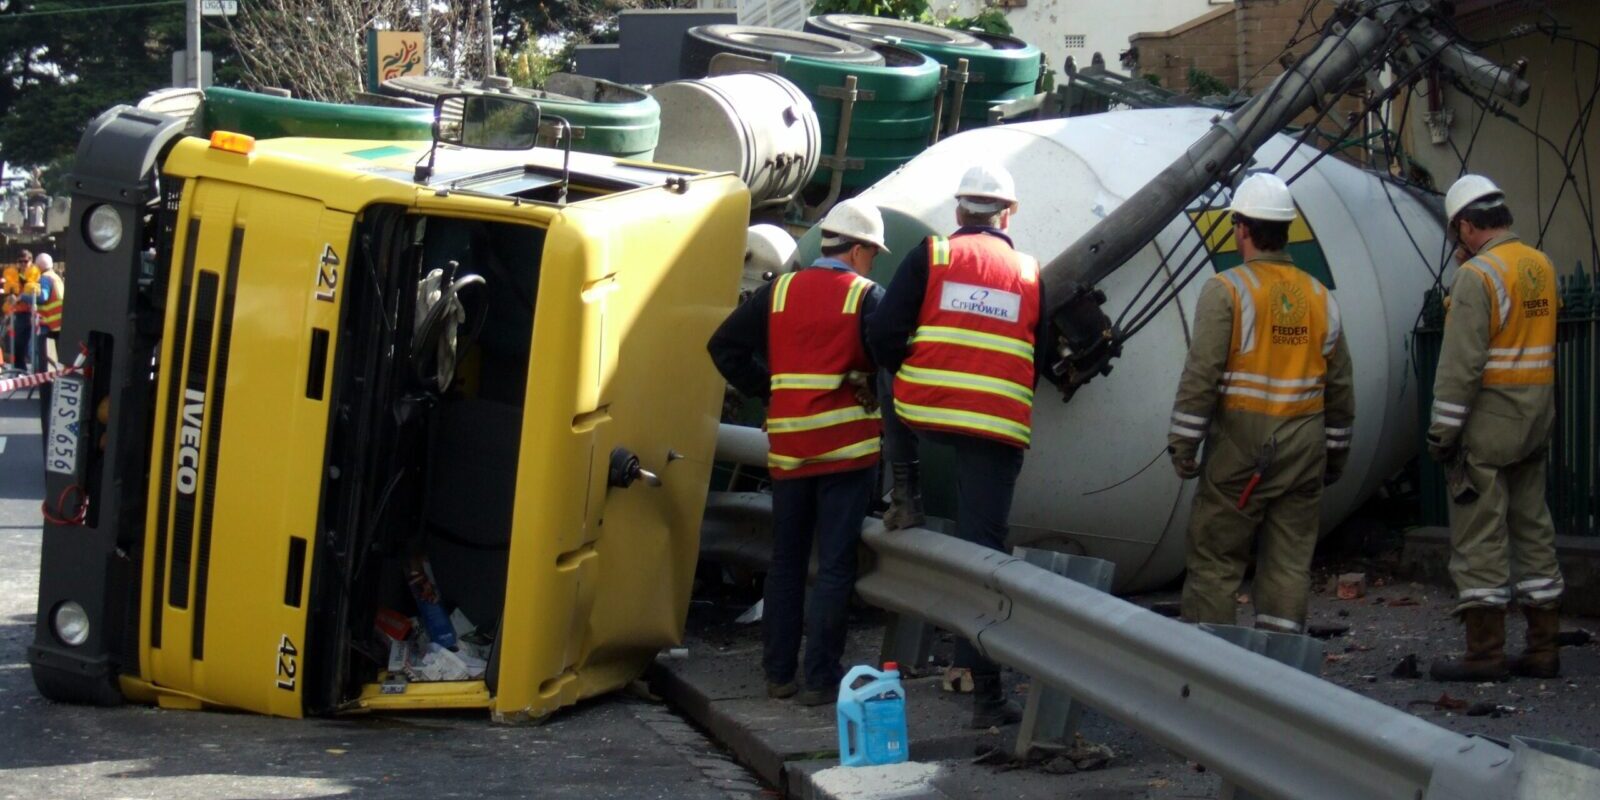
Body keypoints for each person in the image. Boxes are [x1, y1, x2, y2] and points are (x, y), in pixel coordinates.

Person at [867, 164, 1051, 728]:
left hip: (928, 410)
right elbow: (1037, 358)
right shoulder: (1030, 271)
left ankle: (906, 489)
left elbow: (881, 335)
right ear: (1009, 214)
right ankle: (985, 692)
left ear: (959, 212)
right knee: (984, 553)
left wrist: (922, 369)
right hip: (996, 423)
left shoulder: (934, 254)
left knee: (884, 375)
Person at [706, 199, 889, 706]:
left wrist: (769, 390)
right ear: (856, 251)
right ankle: (820, 679)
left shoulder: (778, 291)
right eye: (871, 253)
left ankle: (778, 674)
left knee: (785, 563)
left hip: (789, 451)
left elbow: (723, 347)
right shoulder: (866, 297)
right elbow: (889, 358)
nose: (871, 262)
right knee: (833, 565)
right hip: (847, 451)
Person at [1167, 172, 1355, 635]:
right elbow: (1341, 388)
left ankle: (1211, 675)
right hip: (1304, 447)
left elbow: (1201, 375)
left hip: (1242, 449)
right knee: (1289, 562)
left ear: (1243, 229)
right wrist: (1335, 456)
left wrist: (1183, 444)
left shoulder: (1227, 289)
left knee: (1216, 558)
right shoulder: (1320, 297)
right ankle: (1278, 675)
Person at [1426, 175, 1563, 682]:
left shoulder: (1476, 278)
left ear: (1465, 225)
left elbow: (1461, 367)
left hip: (1487, 428)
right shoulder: (1540, 264)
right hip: (1534, 421)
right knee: (1534, 530)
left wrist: (1443, 434)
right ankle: (1543, 647)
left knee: (1479, 535)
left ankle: (1484, 653)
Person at [34, 253, 62, 368]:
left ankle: (44, 384)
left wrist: (27, 296)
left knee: (42, 357)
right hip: (59, 323)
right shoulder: (56, 277)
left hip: (47, 323)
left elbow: (43, 297)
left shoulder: (44, 278)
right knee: (60, 358)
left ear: (39, 266)